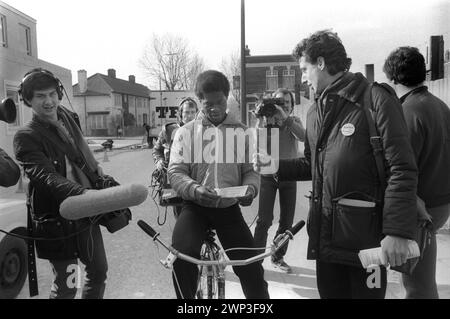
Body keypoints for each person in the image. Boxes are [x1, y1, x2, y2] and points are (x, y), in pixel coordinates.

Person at [254, 30, 418, 299]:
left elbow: (402, 167)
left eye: (304, 69)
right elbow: (312, 164)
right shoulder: (314, 110)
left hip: (369, 248)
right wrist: (273, 166)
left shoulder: (376, 99)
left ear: (320, 63)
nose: (303, 77)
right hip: (327, 243)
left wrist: (397, 231)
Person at [168, 70, 269, 299]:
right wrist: (194, 189)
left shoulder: (243, 132)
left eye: (220, 102)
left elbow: (251, 171)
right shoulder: (185, 133)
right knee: (181, 256)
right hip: (194, 208)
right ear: (199, 100)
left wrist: (250, 189)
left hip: (228, 210)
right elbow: (175, 172)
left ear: (228, 97)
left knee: (251, 267)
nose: (214, 108)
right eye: (207, 103)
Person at [13, 68, 108, 299]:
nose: (48, 101)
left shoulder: (68, 117)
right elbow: (46, 177)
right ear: (27, 100)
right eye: (40, 96)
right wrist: (83, 193)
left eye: (52, 94)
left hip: (86, 213)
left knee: (98, 271)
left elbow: (82, 158)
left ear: (60, 93)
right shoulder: (26, 136)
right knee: (67, 285)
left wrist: (101, 184)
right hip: (58, 220)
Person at [383, 46, 450, 299]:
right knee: (422, 281)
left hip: (419, 209)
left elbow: (400, 167)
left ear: (392, 78)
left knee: (416, 286)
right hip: (440, 204)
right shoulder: (440, 106)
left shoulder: (406, 111)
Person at [253, 88, 305, 273]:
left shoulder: (293, 122)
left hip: (290, 175)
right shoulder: (267, 123)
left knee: (286, 222)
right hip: (268, 175)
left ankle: (278, 256)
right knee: (264, 220)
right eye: (279, 103)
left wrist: (285, 118)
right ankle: (256, 259)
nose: (283, 106)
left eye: (287, 103)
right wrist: (261, 121)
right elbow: (258, 147)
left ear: (292, 106)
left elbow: (304, 137)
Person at [152, 97, 198, 218]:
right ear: (180, 113)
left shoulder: (203, 129)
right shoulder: (168, 130)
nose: (190, 115)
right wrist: (159, 160)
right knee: (180, 214)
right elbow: (157, 150)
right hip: (175, 180)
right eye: (187, 112)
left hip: (198, 179)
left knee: (198, 215)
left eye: (193, 112)